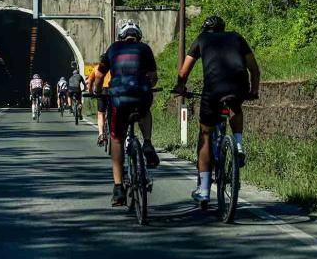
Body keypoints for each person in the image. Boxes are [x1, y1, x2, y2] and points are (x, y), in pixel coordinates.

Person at [174, 15, 260, 206]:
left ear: (205, 30)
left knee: (205, 134)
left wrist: (180, 87)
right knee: (235, 106)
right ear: (223, 28)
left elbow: (184, 71)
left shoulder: (201, 39)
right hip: (238, 86)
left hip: (213, 90)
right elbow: (254, 69)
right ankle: (238, 144)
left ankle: (204, 190)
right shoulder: (237, 37)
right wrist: (253, 90)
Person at [93, 20, 159, 206]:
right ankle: (147, 143)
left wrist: (98, 92)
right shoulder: (145, 49)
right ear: (138, 36)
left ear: (121, 36)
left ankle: (118, 188)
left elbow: (99, 75)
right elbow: (153, 77)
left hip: (119, 99)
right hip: (140, 96)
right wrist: (148, 86)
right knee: (145, 110)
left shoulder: (113, 49)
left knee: (116, 139)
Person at [86, 67, 112, 146]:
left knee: (101, 113)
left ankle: (101, 135)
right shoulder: (116, 65)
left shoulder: (97, 68)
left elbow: (90, 81)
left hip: (102, 91)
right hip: (115, 90)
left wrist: (90, 92)